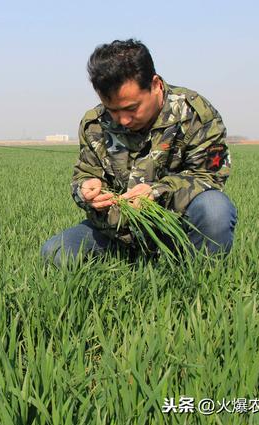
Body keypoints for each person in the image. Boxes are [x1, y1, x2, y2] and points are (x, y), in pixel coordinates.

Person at [41, 39, 237, 268]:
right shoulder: (94, 124)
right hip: (118, 232)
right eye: (112, 110)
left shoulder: (194, 115)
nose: (122, 120)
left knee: (215, 209)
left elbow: (209, 177)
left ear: (154, 84)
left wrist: (156, 191)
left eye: (132, 108)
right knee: (55, 252)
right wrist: (86, 191)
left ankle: (199, 282)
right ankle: (128, 268)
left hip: (176, 229)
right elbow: (84, 174)